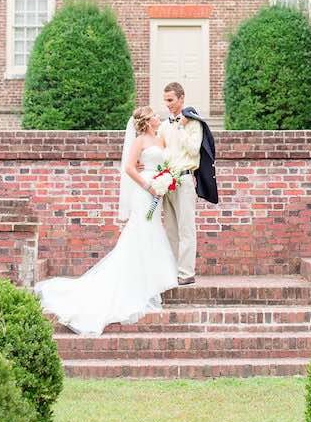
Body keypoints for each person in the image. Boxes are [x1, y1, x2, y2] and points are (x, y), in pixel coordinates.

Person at [34, 106, 178, 336]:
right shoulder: (140, 141)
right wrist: (148, 185)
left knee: (153, 231)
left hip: (158, 190)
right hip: (145, 191)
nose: (158, 117)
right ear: (147, 120)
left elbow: (167, 162)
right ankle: (136, 281)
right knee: (141, 231)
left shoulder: (161, 138)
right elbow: (129, 168)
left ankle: (147, 279)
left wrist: (166, 179)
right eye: (154, 115)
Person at [159, 82, 218, 286]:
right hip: (166, 182)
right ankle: (172, 270)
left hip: (184, 180)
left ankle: (186, 273)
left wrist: (182, 126)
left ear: (181, 98)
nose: (167, 104)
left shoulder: (194, 124)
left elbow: (194, 150)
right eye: (165, 100)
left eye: (170, 100)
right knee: (170, 229)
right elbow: (160, 152)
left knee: (186, 229)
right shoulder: (163, 125)